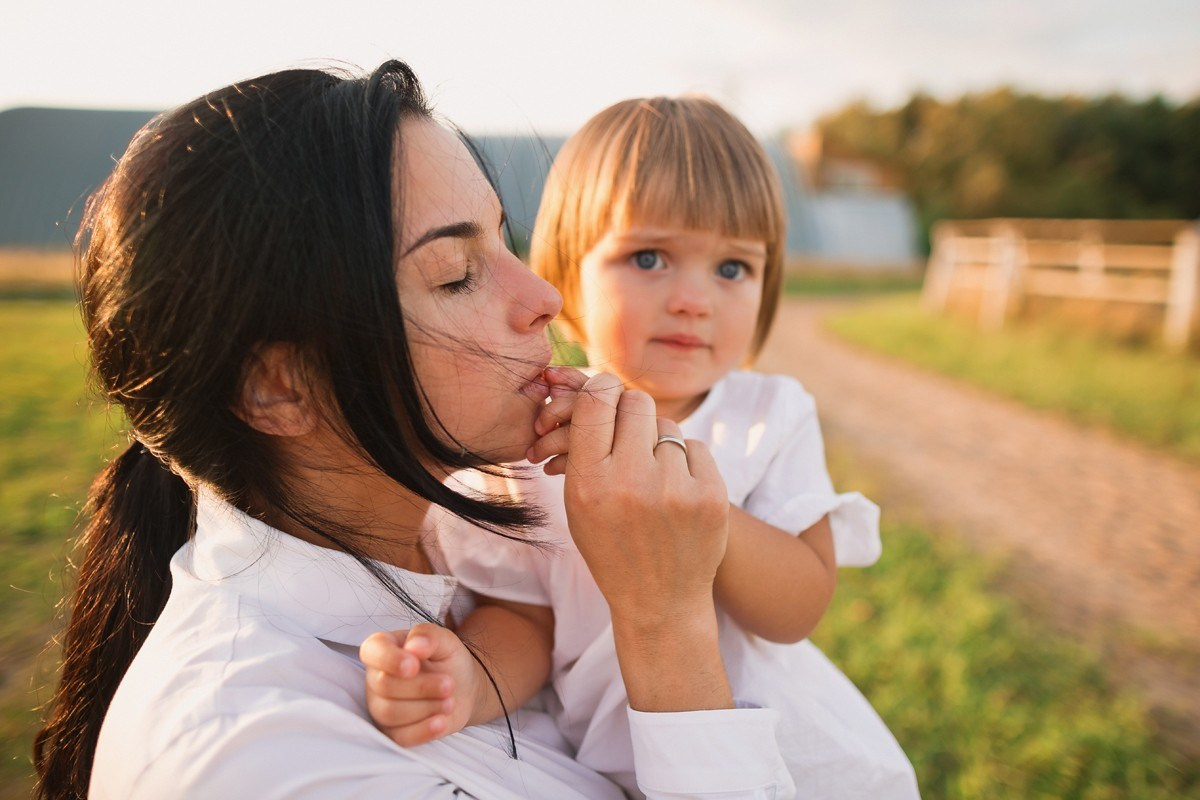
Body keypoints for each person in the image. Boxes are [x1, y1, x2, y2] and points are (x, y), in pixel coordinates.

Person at [32, 63, 796, 800]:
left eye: (506, 240)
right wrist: (665, 621)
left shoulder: (449, 574)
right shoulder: (260, 762)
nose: (546, 297)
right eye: (457, 273)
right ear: (278, 387)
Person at [363, 96, 920, 798]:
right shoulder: (526, 439)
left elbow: (798, 608)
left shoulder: (764, 416)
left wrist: (690, 493)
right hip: (608, 773)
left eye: (732, 269)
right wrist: (466, 681)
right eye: (649, 257)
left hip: (784, 761)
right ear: (562, 276)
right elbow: (523, 621)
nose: (694, 298)